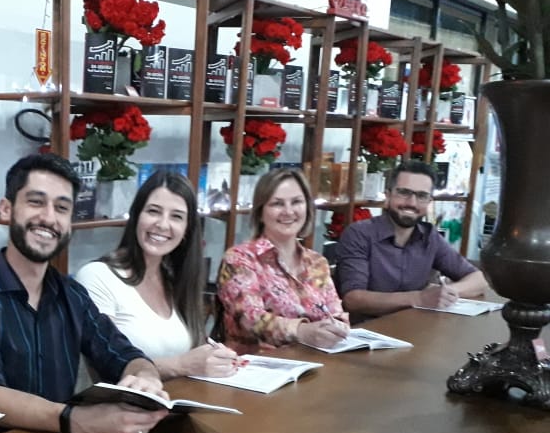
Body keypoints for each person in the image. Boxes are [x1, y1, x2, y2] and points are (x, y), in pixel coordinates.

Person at [0, 153, 169, 433]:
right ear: (6, 210)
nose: (49, 217)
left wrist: (146, 377)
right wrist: (78, 420)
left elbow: (121, 353)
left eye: (62, 208)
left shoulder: (72, 295)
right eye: (36, 202)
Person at [75, 171, 239, 378]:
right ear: (136, 216)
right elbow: (104, 365)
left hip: (180, 396)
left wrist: (213, 357)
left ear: (187, 229)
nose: (162, 224)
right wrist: (181, 365)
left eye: (176, 216)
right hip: (122, 399)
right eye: (153, 211)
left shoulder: (174, 279)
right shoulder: (97, 276)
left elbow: (194, 352)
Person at [217, 167, 350, 350]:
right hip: (257, 362)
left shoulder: (318, 262)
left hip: (317, 360)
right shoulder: (239, 259)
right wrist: (302, 331)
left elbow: (337, 317)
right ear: (260, 212)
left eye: (296, 202)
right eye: (277, 204)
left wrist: (337, 329)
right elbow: (250, 318)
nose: (288, 211)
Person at [335, 160, 488, 319]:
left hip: (414, 326)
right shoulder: (359, 234)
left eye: (421, 196)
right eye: (404, 193)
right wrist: (419, 298)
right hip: (365, 329)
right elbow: (353, 299)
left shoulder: (430, 237)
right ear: (388, 195)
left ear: (429, 202)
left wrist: (447, 293)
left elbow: (479, 279)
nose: (412, 203)